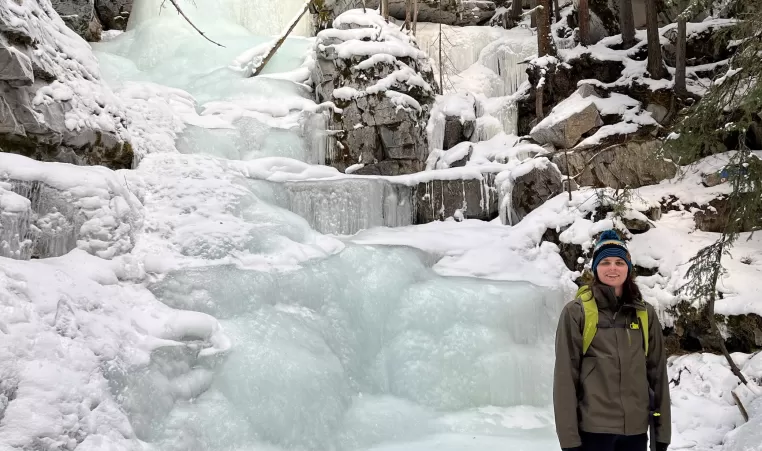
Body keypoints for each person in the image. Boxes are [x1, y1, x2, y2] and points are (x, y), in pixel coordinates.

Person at [553, 230, 671, 451]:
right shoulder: (576, 313)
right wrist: (569, 442)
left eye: (619, 262)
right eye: (605, 262)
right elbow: (565, 379)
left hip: (635, 433)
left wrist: (662, 433)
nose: (613, 268)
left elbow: (657, 376)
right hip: (593, 432)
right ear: (596, 268)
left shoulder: (645, 314)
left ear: (628, 268)